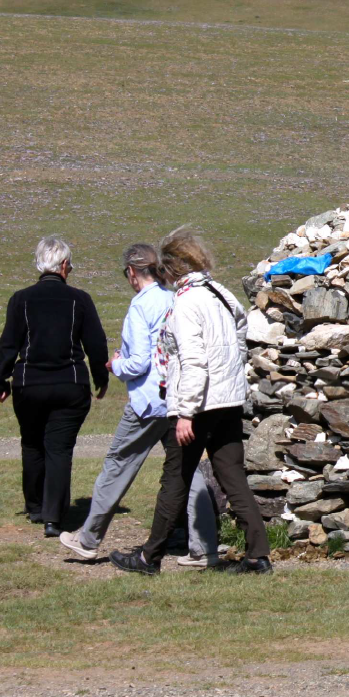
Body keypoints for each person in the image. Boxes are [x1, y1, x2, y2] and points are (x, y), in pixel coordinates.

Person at [110, 227, 272, 575]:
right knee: (232, 476)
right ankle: (258, 554)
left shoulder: (185, 302)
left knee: (175, 478)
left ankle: (148, 557)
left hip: (199, 405)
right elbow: (240, 338)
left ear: (170, 269)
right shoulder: (222, 294)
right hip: (228, 400)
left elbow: (194, 360)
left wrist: (185, 413)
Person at [59, 244, 222, 568]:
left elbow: (137, 363)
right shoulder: (175, 297)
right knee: (184, 470)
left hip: (148, 403)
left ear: (132, 272)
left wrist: (115, 365)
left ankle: (88, 539)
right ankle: (204, 546)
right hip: (177, 400)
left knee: (118, 464)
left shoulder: (140, 307)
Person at [0, 236, 109, 537]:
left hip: (28, 384)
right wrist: (101, 377)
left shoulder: (20, 299)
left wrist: (0, 381)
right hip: (70, 384)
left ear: (38, 265)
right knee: (59, 448)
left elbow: (9, 345)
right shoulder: (80, 300)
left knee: (32, 443)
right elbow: (95, 344)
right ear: (65, 266)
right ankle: (53, 518)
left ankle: (34, 506)